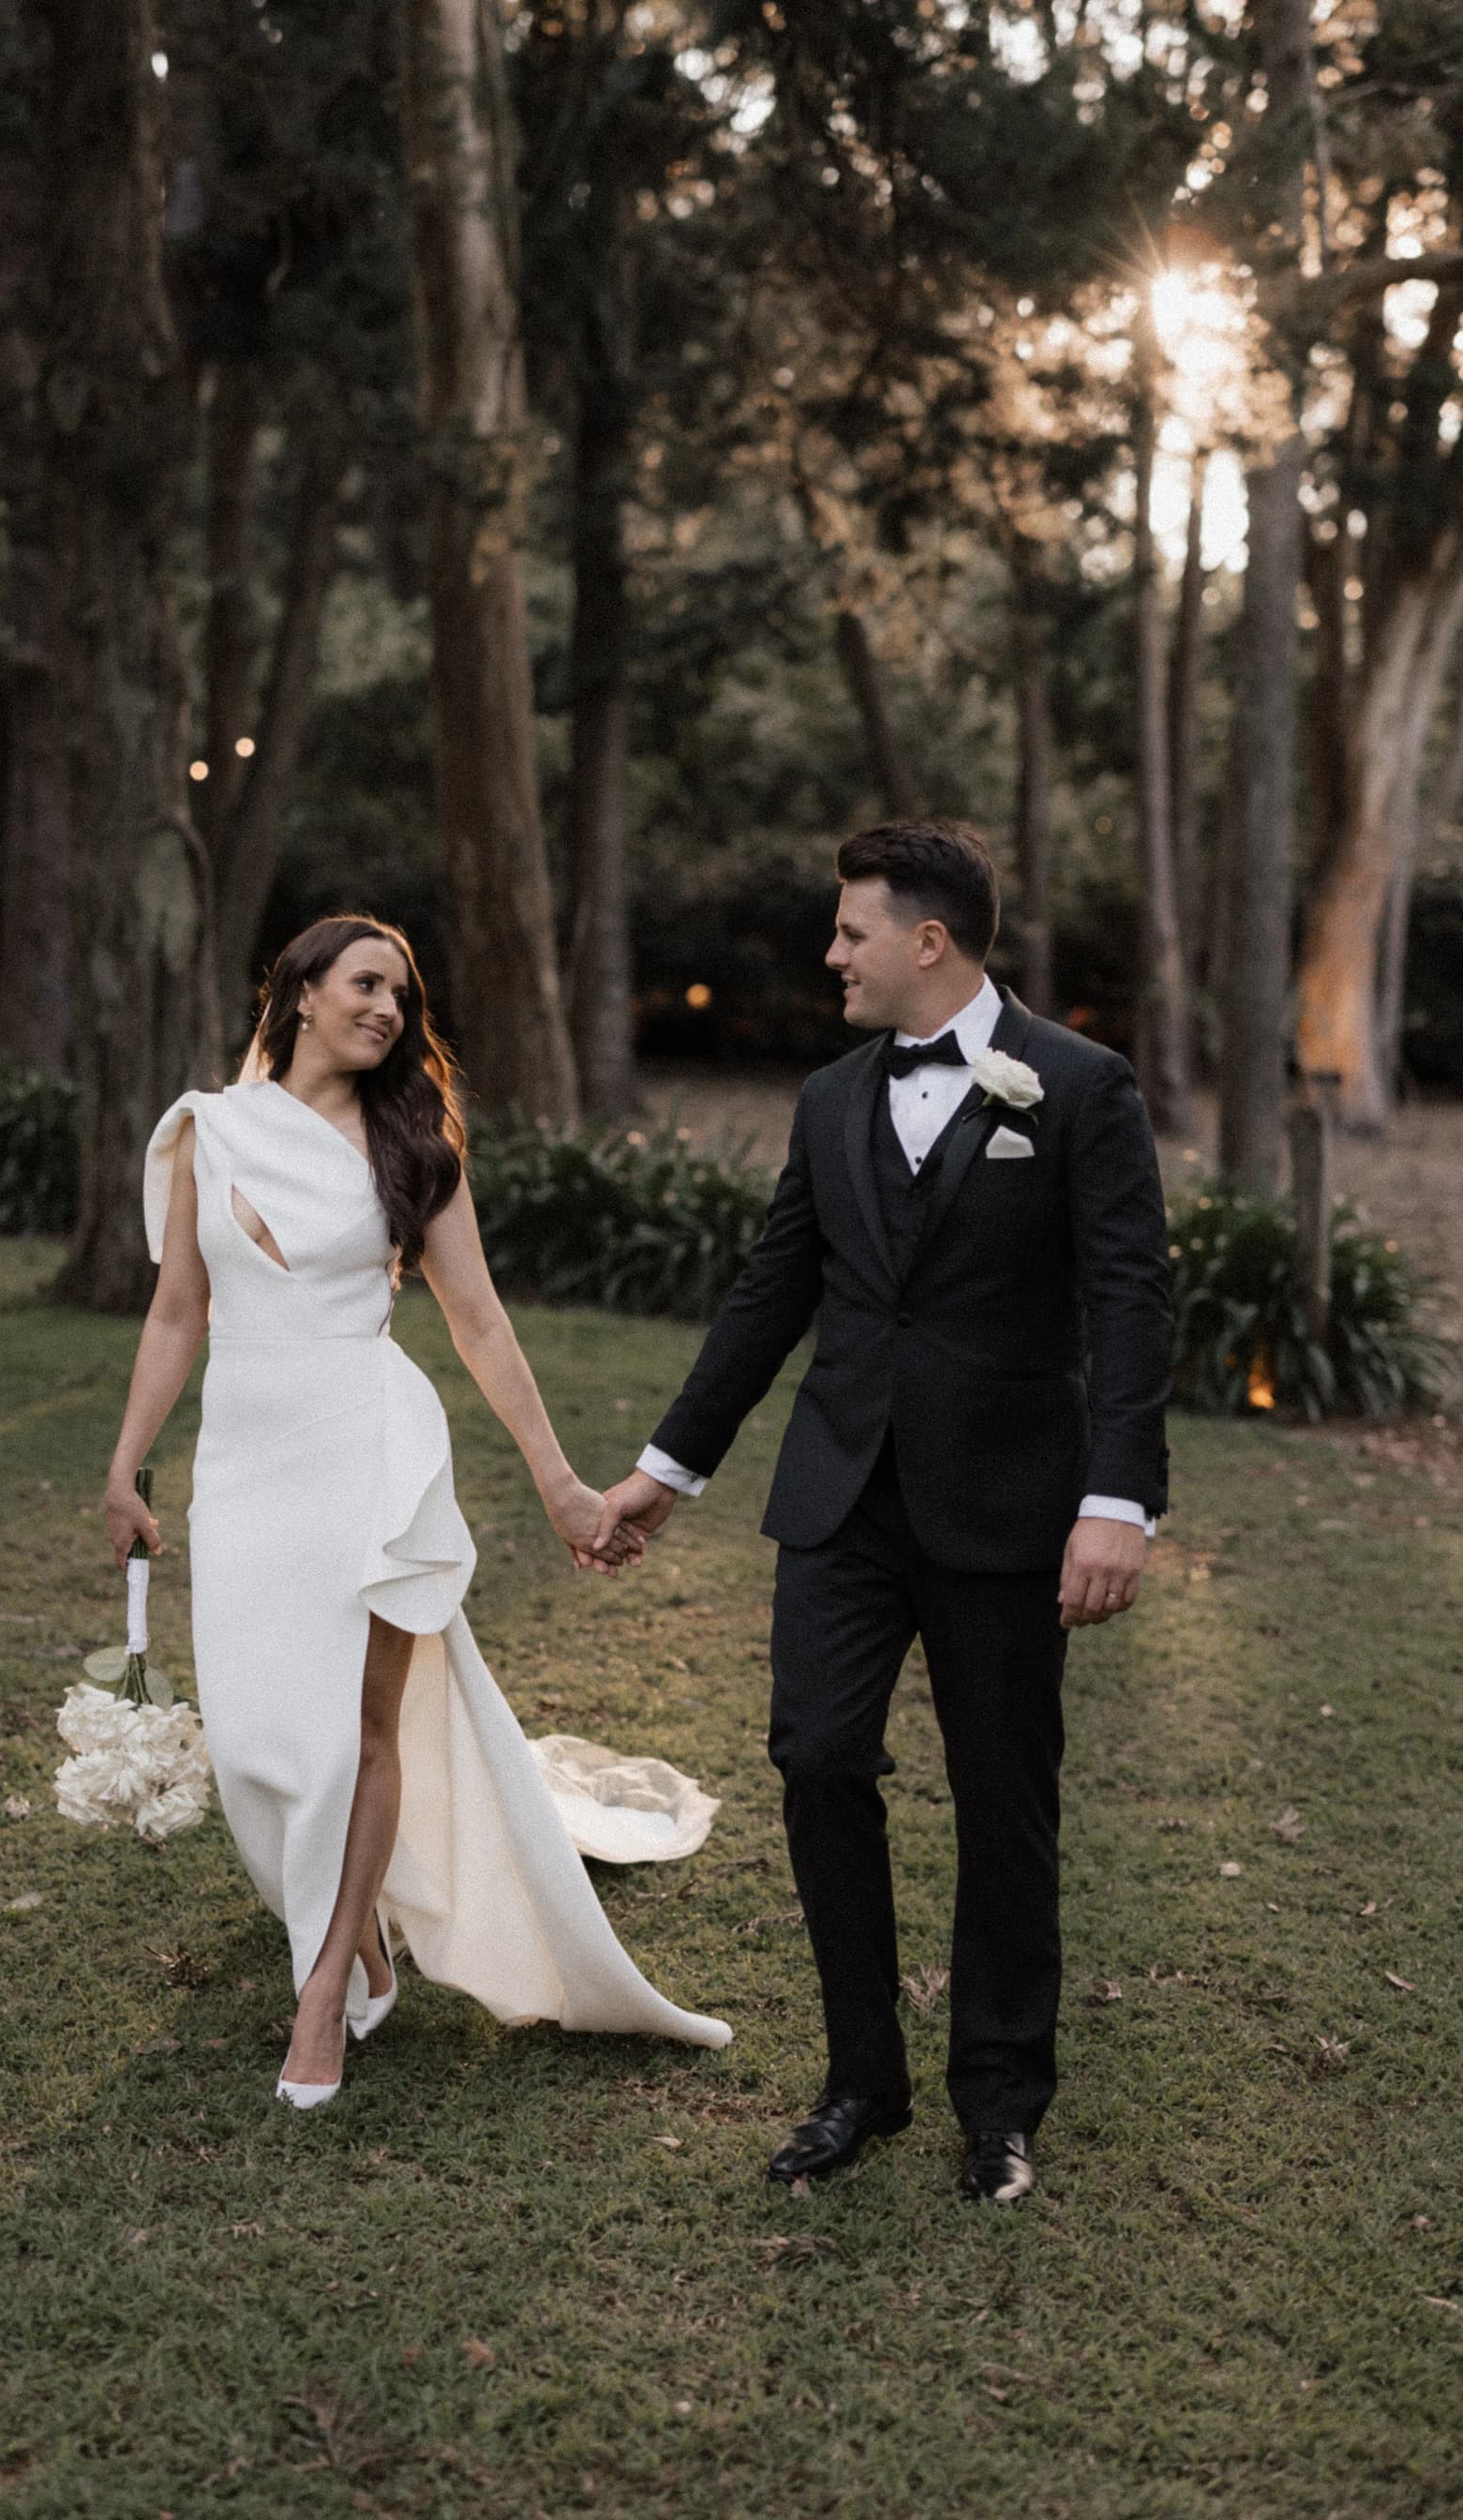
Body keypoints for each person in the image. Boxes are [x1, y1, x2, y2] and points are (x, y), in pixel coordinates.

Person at [596, 820, 1172, 2202]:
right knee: (815, 1755)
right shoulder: (830, 1097)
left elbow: (1134, 1297)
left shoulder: (1083, 1088)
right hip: (839, 1497)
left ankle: (1002, 2100)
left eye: (852, 930)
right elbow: (770, 1295)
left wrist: (1117, 1500)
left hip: (1010, 1506)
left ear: (929, 940)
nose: (830, 952)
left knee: (1003, 1800)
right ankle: (863, 2078)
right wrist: (666, 1472)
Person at [102, 914, 729, 2109]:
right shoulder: (207, 1132)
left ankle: (327, 1992)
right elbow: (178, 1311)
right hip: (244, 1467)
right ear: (296, 993)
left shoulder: (412, 1141)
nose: (388, 1009)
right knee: (254, 1744)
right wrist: (127, 1465)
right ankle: (362, 1934)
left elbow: (478, 1320)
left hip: (372, 1455)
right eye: (365, 984)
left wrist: (558, 1480)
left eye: (402, 993)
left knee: (361, 1734)